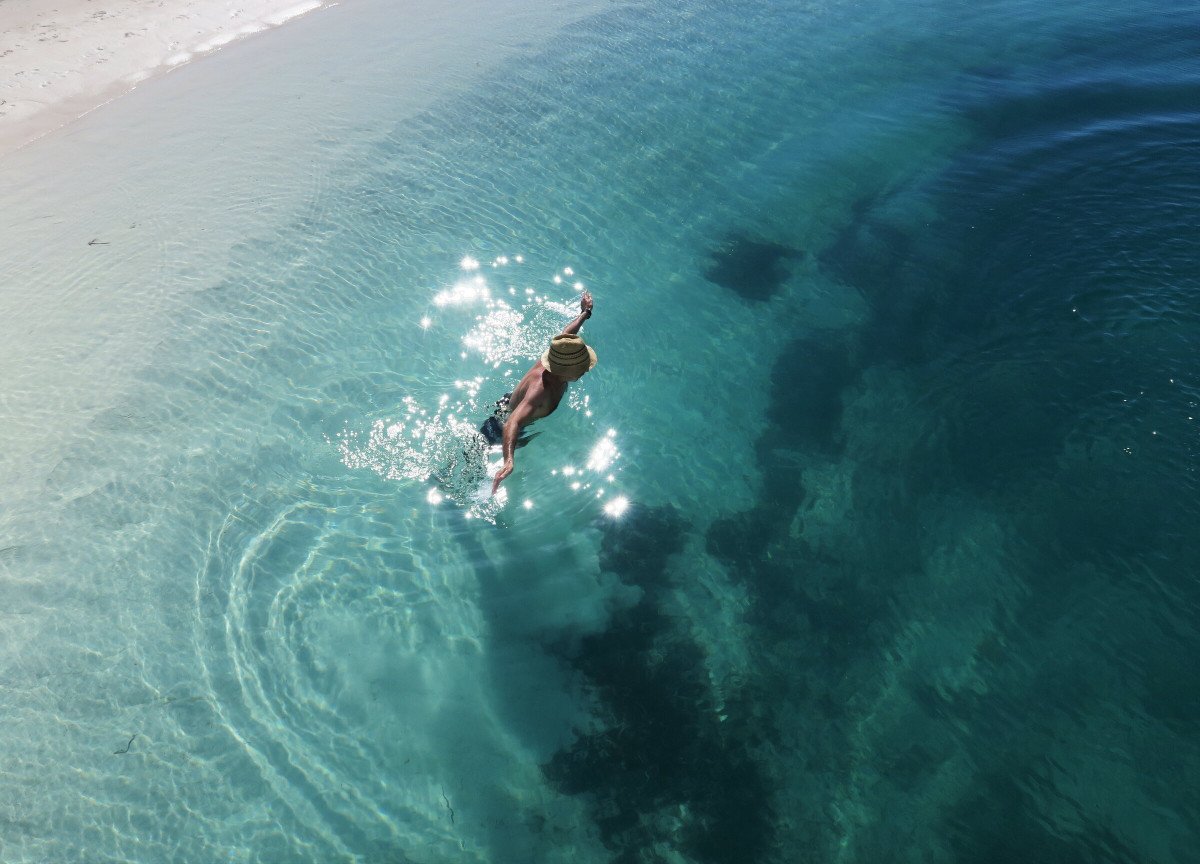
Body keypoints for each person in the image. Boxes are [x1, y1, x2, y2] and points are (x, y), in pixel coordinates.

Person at [485, 291, 597, 495]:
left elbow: (567, 334)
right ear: (567, 370)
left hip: (509, 403)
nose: (585, 369)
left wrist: (585, 313)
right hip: (504, 427)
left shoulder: (555, 357)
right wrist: (509, 461)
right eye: (581, 366)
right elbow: (512, 423)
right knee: (477, 469)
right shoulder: (541, 393)